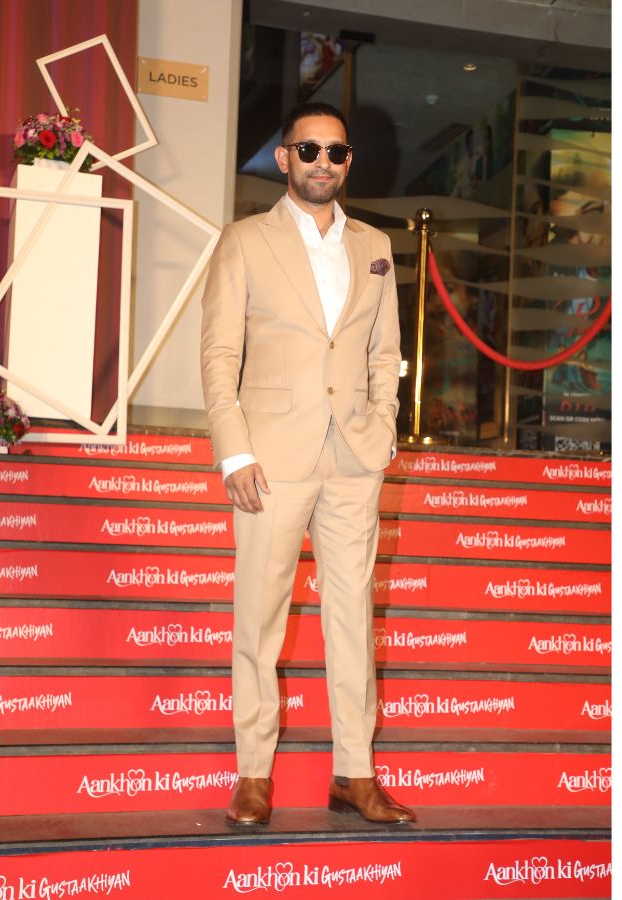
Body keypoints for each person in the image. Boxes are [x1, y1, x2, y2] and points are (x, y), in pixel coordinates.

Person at [200, 101, 414, 827]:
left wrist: (383, 428)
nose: (324, 162)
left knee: (352, 616)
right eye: (310, 149)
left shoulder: (375, 245)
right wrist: (234, 449)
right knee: (260, 616)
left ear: (349, 161)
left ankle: (355, 771)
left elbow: (385, 351)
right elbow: (219, 354)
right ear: (284, 157)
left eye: (336, 152)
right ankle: (253, 772)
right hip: (270, 457)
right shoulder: (244, 240)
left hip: (353, 457)